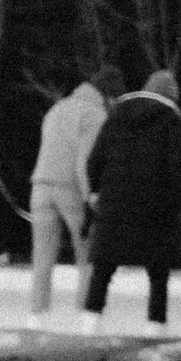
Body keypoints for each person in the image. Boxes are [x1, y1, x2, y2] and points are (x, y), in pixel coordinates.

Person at [81, 69, 181, 331]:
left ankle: (91, 321)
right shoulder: (171, 121)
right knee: (158, 270)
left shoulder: (116, 115)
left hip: (114, 201)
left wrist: (96, 191)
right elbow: (180, 168)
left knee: (103, 266)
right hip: (155, 205)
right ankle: (154, 325)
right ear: (171, 97)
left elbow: (94, 159)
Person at [27, 67, 120, 325]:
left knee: (42, 256)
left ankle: (37, 316)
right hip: (70, 190)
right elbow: (85, 160)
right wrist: (92, 195)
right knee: (87, 254)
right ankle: (87, 316)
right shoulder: (95, 114)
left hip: (41, 186)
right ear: (108, 95)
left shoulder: (57, 109)